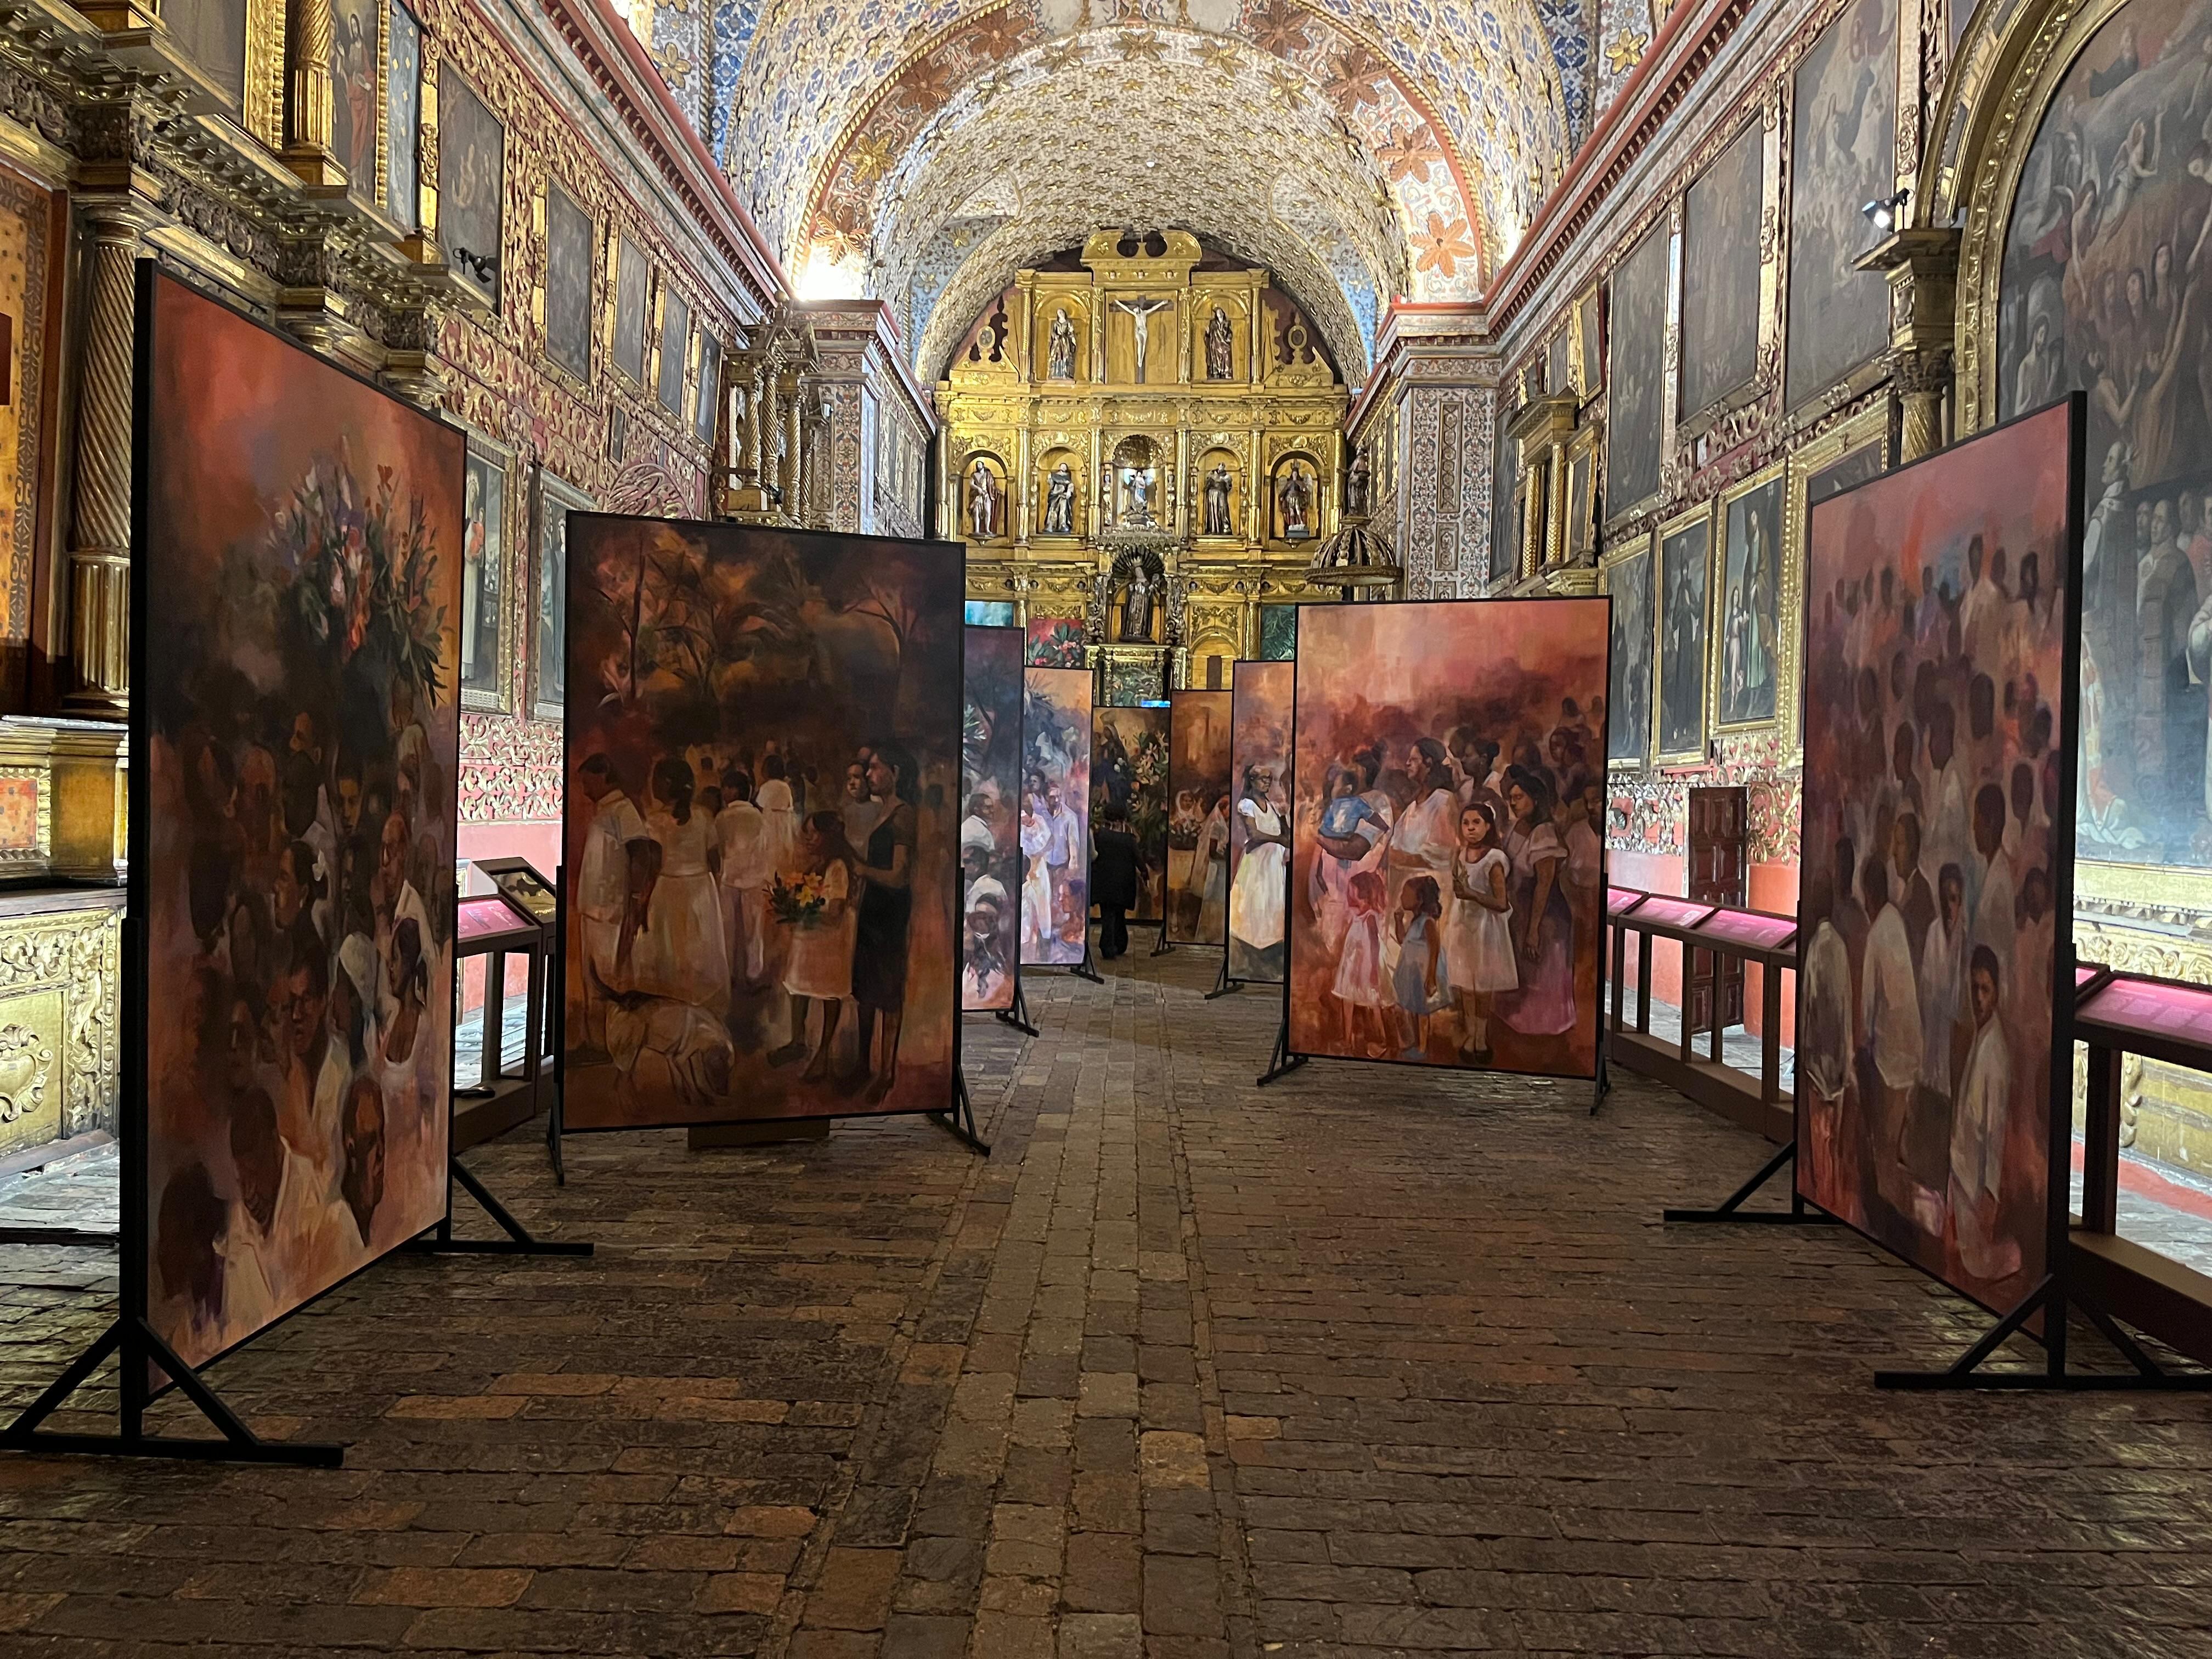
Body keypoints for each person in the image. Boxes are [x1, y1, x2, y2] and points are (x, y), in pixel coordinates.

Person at [1858, 851, 1925, 1222]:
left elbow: (1869, 1002)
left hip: (1888, 1055)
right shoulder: (1895, 921)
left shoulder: (1876, 934)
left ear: (1869, 894)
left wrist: (1863, 1044)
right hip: (1910, 1050)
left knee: (1885, 1138)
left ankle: (1891, 1208)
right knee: (1899, 1136)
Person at [1950, 947, 2021, 1285]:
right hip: (1962, 1172)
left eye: (1985, 990)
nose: (1978, 998)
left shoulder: (1995, 1051)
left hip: (1974, 1182)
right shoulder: (1981, 1036)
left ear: (1996, 993)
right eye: (1974, 988)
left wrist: (1989, 1191)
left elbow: (1994, 1130)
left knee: (1977, 1264)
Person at [635, 757, 729, 1013]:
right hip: (700, 889)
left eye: (655, 779)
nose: (652, 784)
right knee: (697, 946)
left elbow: (653, 868)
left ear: (667, 783)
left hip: (668, 890)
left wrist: (642, 901)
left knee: (671, 948)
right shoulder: (704, 816)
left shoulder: (655, 822)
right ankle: (700, 1004)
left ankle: (675, 1005)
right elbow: (715, 860)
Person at [773, 811, 860, 1083]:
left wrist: (803, 909)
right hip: (810, 940)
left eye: (813, 834)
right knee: (799, 987)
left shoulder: (838, 868)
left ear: (828, 836)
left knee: (828, 993)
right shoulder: (817, 864)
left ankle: (823, 1053)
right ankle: (797, 1041)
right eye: (807, 834)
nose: (808, 839)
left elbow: (834, 912)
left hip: (829, 942)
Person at [853, 747, 917, 1103]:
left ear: (896, 770)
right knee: (866, 988)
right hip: (872, 910)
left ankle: (886, 1072)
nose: (869, 775)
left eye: (876, 768)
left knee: (889, 992)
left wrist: (862, 870)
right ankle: (863, 1064)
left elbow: (899, 876)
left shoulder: (903, 815)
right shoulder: (881, 811)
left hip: (890, 913)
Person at [1497, 768, 1575, 1037]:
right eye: (1511, 798)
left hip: (1545, 914)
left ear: (1536, 799)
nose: (1513, 803)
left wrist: (1534, 929)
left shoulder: (1545, 833)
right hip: (1520, 910)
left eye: (1519, 797)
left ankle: (1544, 1027)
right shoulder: (1516, 827)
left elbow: (1544, 884)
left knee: (1541, 967)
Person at [1444, 803, 1516, 1065]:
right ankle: (1471, 1034)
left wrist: (1472, 894)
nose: (1471, 829)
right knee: (1466, 984)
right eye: (1466, 823)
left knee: (1483, 985)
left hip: (1486, 928)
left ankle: (1481, 1037)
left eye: (1476, 823)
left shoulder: (1494, 859)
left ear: (1488, 826)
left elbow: (1501, 903)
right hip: (1463, 925)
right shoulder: (1461, 854)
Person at [1228, 765, 1289, 978]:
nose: (1267, 783)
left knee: (1272, 901)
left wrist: (1284, 831)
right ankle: (1251, 947)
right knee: (1255, 901)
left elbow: (1285, 832)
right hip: (1258, 862)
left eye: (1269, 779)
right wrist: (1279, 839)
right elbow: (1254, 834)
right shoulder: (1247, 805)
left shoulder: (1272, 806)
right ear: (1252, 781)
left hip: (1274, 863)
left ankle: (1269, 944)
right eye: (1263, 779)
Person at [717, 766, 772, 991]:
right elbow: (766, 847)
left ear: (735, 790)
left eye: (726, 788)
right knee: (754, 930)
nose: (723, 792)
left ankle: (728, 973)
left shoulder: (723, 817)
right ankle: (753, 974)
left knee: (727, 930)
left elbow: (719, 848)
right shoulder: (759, 816)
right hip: (754, 878)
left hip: (729, 878)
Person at [1331, 868, 1389, 1057]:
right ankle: (1347, 1039)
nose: (1349, 895)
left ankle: (1382, 1040)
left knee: (1373, 1002)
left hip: (1366, 965)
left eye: (1352, 891)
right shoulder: (1357, 915)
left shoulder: (1370, 916)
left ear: (1363, 893)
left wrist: (1373, 969)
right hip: (1352, 964)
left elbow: (1374, 944)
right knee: (1347, 998)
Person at [1389, 874, 1446, 1060]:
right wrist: (1398, 921)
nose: (1402, 897)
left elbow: (1435, 948)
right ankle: (1416, 1043)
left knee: (1422, 1012)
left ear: (1419, 900)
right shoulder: (1415, 921)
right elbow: (1402, 940)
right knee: (1414, 1009)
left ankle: (1422, 1048)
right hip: (1412, 973)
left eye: (1406, 895)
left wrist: (1431, 977)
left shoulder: (1428, 922)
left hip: (1422, 973)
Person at [1092, 812, 1140, 960]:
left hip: (1104, 881)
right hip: (1123, 882)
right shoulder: (1129, 836)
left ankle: (1108, 947)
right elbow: (1137, 857)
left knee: (1107, 915)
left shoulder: (1099, 835)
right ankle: (1120, 944)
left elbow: (1093, 854)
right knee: (1119, 913)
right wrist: (1144, 872)